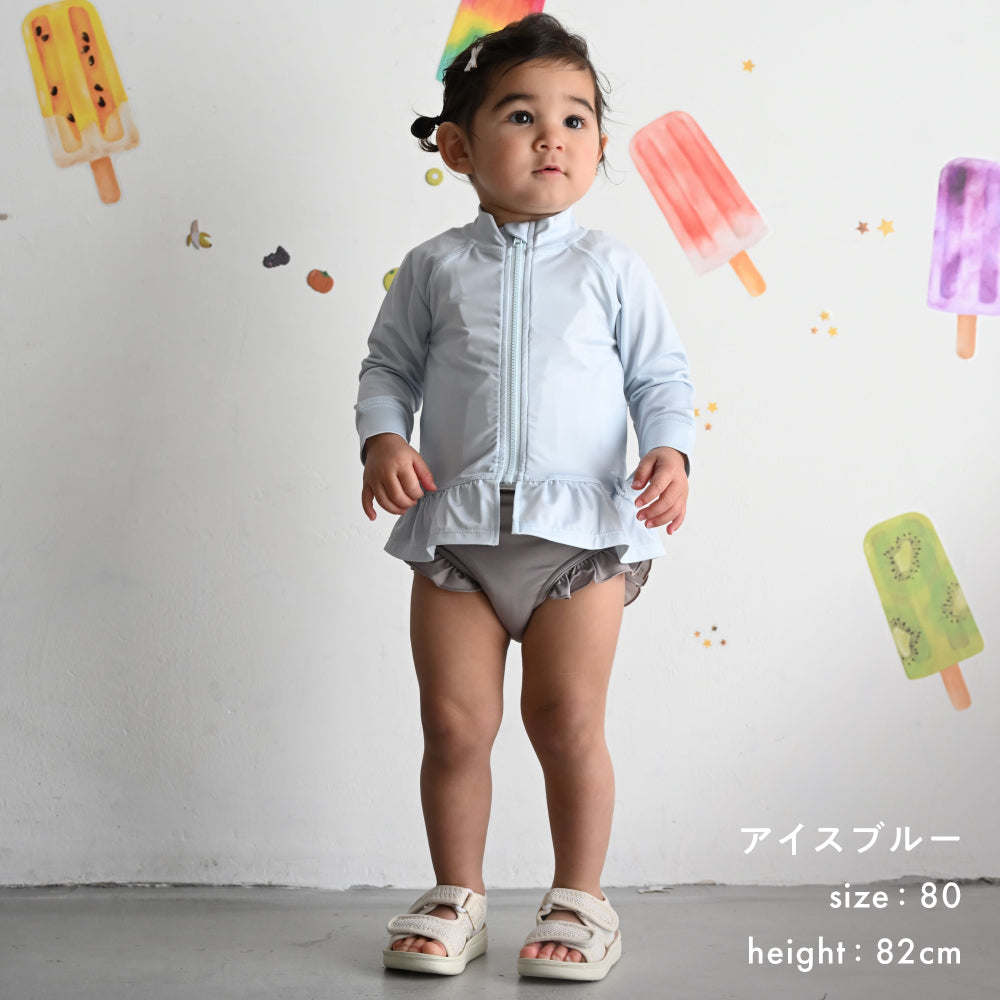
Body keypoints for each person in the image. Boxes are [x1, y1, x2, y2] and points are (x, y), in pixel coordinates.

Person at [355, 13, 694, 983]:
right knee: (455, 726)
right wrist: (384, 438)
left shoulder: (611, 268)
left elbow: (660, 377)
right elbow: (387, 369)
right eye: (521, 115)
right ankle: (454, 896)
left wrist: (670, 450)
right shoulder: (433, 267)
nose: (553, 136)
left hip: (579, 540)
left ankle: (580, 900)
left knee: (567, 723)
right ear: (458, 147)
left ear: (597, 144)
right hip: (457, 537)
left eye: (576, 118)